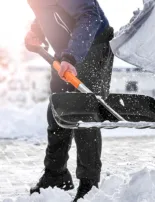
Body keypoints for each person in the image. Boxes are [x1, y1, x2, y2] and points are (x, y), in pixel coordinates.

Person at [25, 0, 114, 201]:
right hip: (66, 50)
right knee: (57, 110)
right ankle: (56, 176)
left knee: (84, 115)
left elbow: (90, 16)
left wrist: (71, 57)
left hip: (91, 45)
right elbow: (48, 8)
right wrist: (36, 32)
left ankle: (89, 185)